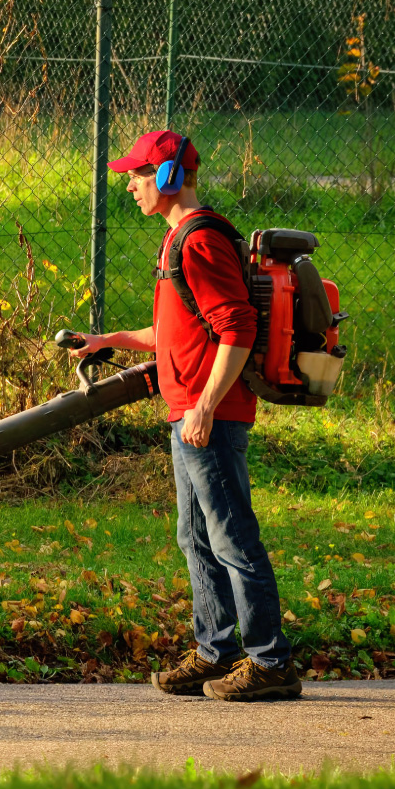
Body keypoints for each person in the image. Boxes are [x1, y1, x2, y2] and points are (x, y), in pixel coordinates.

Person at [70, 130, 299, 701]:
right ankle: (215, 652)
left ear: (169, 177)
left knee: (231, 538)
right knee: (195, 538)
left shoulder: (198, 243)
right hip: (191, 412)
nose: (129, 186)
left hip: (209, 416)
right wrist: (111, 338)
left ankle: (271, 662)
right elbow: (177, 329)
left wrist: (205, 405)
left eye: (139, 176)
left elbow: (237, 327)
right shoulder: (178, 242)